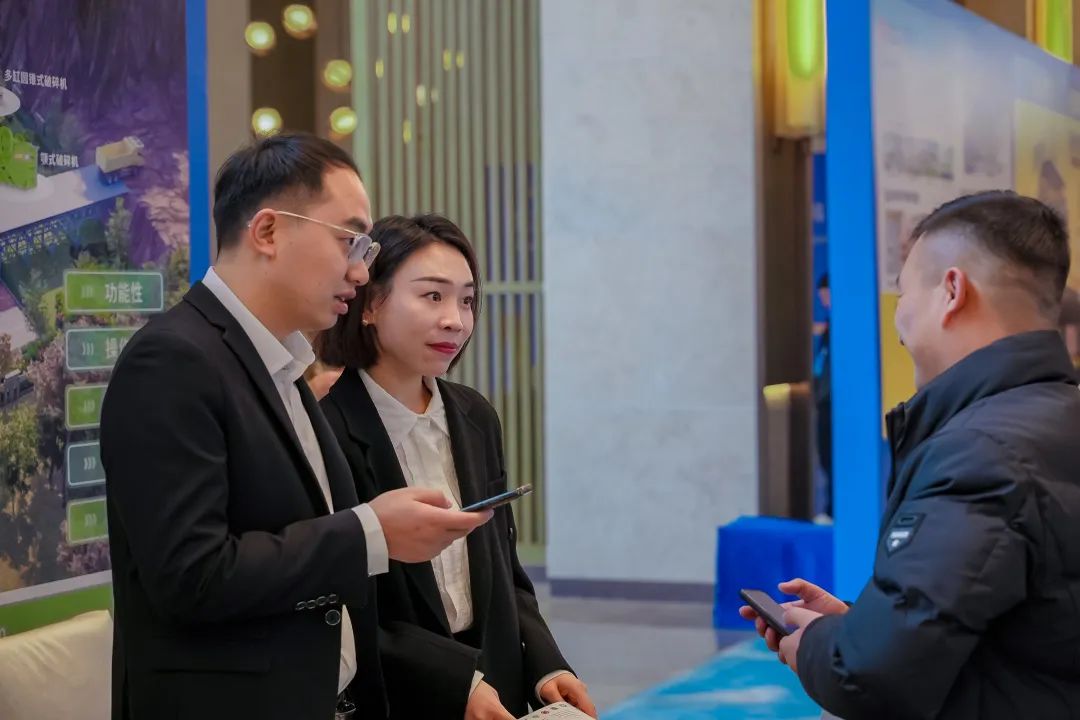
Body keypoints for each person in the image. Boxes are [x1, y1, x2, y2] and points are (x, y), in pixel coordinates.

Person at [100, 134, 491, 720]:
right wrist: (370, 532)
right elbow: (190, 576)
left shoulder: (285, 367)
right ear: (267, 231)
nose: (361, 270)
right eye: (348, 241)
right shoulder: (173, 360)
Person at [741, 191, 1080, 719]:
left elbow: (869, 676)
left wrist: (818, 646)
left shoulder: (980, 454)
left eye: (904, 292)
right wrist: (857, 624)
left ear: (952, 291)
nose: (899, 317)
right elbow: (1026, 632)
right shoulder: (1054, 419)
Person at [317, 214, 596, 720]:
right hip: (397, 695)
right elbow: (336, 605)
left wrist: (548, 666)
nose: (456, 321)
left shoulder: (475, 415)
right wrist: (453, 681)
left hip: (497, 686)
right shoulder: (325, 428)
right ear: (370, 304)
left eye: (466, 300)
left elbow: (505, 573)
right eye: (433, 296)